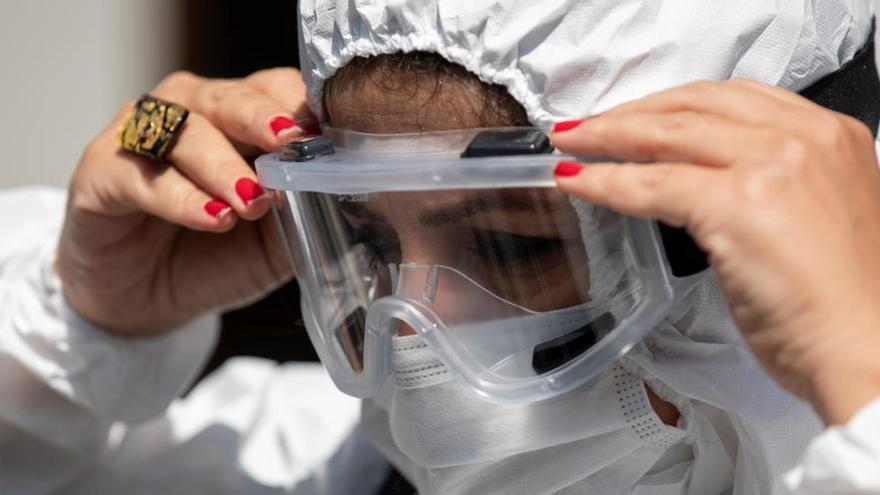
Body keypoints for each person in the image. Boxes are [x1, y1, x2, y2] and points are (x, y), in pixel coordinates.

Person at [2, 1, 880, 494]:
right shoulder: (336, 469)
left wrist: (856, 374)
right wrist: (78, 319)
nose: (414, 323)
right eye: (368, 234)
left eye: (508, 242)